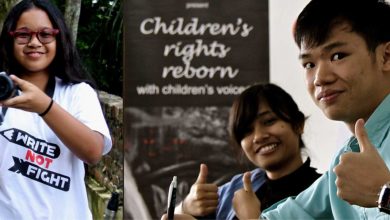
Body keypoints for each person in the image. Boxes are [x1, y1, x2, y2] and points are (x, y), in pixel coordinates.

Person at [232, 0, 390, 219]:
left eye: (338, 56)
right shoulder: (346, 158)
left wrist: (384, 194)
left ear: (386, 56)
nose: (320, 78)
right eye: (309, 64)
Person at [0, 0, 112, 219]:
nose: (34, 42)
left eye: (45, 34)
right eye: (23, 34)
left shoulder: (77, 93)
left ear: (59, 39)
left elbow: (93, 152)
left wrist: (45, 107)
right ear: (10, 40)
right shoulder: (1, 90)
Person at [170, 83, 321, 220]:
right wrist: (187, 206)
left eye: (269, 121)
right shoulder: (235, 189)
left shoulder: (325, 193)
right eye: (246, 130)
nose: (258, 137)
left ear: (298, 124)